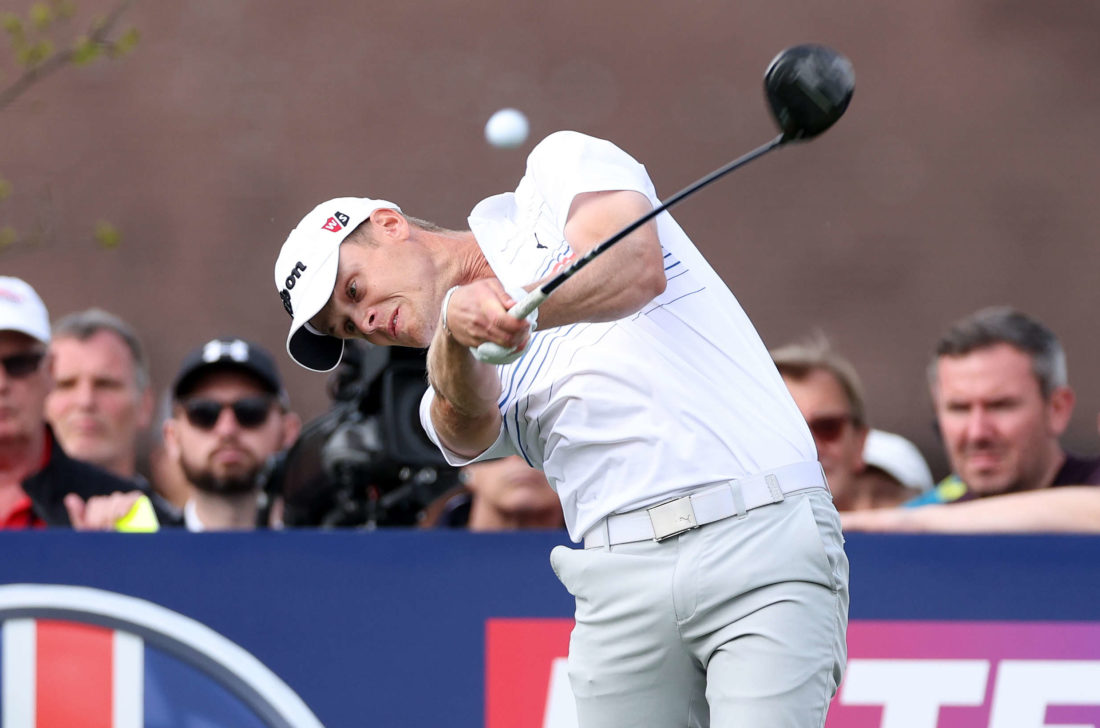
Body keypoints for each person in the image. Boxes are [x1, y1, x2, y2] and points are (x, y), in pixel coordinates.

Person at [274, 131, 848, 726]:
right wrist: (457, 334)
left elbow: (634, 267)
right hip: (618, 581)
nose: (366, 320)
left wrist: (515, 306)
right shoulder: (441, 387)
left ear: (391, 225)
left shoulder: (556, 174)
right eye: (350, 326)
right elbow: (464, 426)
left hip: (757, 532)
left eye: (355, 290)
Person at [842, 306, 1100, 533]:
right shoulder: (925, 525)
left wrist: (915, 525)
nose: (977, 432)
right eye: (959, 409)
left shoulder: (923, 524)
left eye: (1001, 406)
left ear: (1057, 409)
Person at [0, 276, 173, 529]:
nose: (2, 384)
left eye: (20, 364)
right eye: (69, 384)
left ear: (49, 372)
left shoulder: (130, 510)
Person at [163, 337, 300, 531]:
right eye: (203, 412)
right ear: (172, 438)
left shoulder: (331, 548)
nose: (227, 430)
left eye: (250, 410)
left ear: (288, 432)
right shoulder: (134, 552)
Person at [45, 308, 155, 481]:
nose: (85, 401)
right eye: (65, 385)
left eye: (106, 385)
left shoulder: (168, 509)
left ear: (145, 404)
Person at [422, 455, 566, 530]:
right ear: (466, 465)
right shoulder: (418, 561)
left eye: (544, 442)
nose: (520, 456)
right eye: (497, 440)